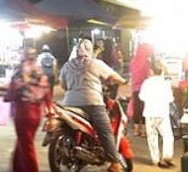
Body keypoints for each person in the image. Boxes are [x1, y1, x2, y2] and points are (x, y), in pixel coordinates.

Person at [60, 38, 126, 172]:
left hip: (68, 104)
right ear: (90, 51)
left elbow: (63, 85)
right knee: (105, 130)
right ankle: (114, 163)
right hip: (92, 103)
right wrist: (123, 81)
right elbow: (114, 77)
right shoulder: (95, 63)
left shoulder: (67, 65)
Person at [7, 47, 49, 172]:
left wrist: (5, 96)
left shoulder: (20, 71)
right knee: (23, 141)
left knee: (27, 146)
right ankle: (17, 168)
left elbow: (12, 92)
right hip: (36, 113)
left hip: (22, 112)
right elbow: (46, 92)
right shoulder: (39, 70)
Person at [139, 61, 175, 168]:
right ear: (162, 71)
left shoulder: (146, 83)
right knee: (168, 136)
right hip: (162, 113)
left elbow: (141, 97)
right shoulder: (165, 83)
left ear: (151, 71)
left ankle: (155, 160)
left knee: (152, 137)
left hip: (149, 113)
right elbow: (170, 99)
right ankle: (166, 157)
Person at [129, 42, 155, 137]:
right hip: (145, 88)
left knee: (136, 108)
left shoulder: (133, 62)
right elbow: (148, 75)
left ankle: (136, 130)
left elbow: (133, 74)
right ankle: (144, 131)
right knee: (145, 108)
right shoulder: (146, 63)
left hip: (135, 88)